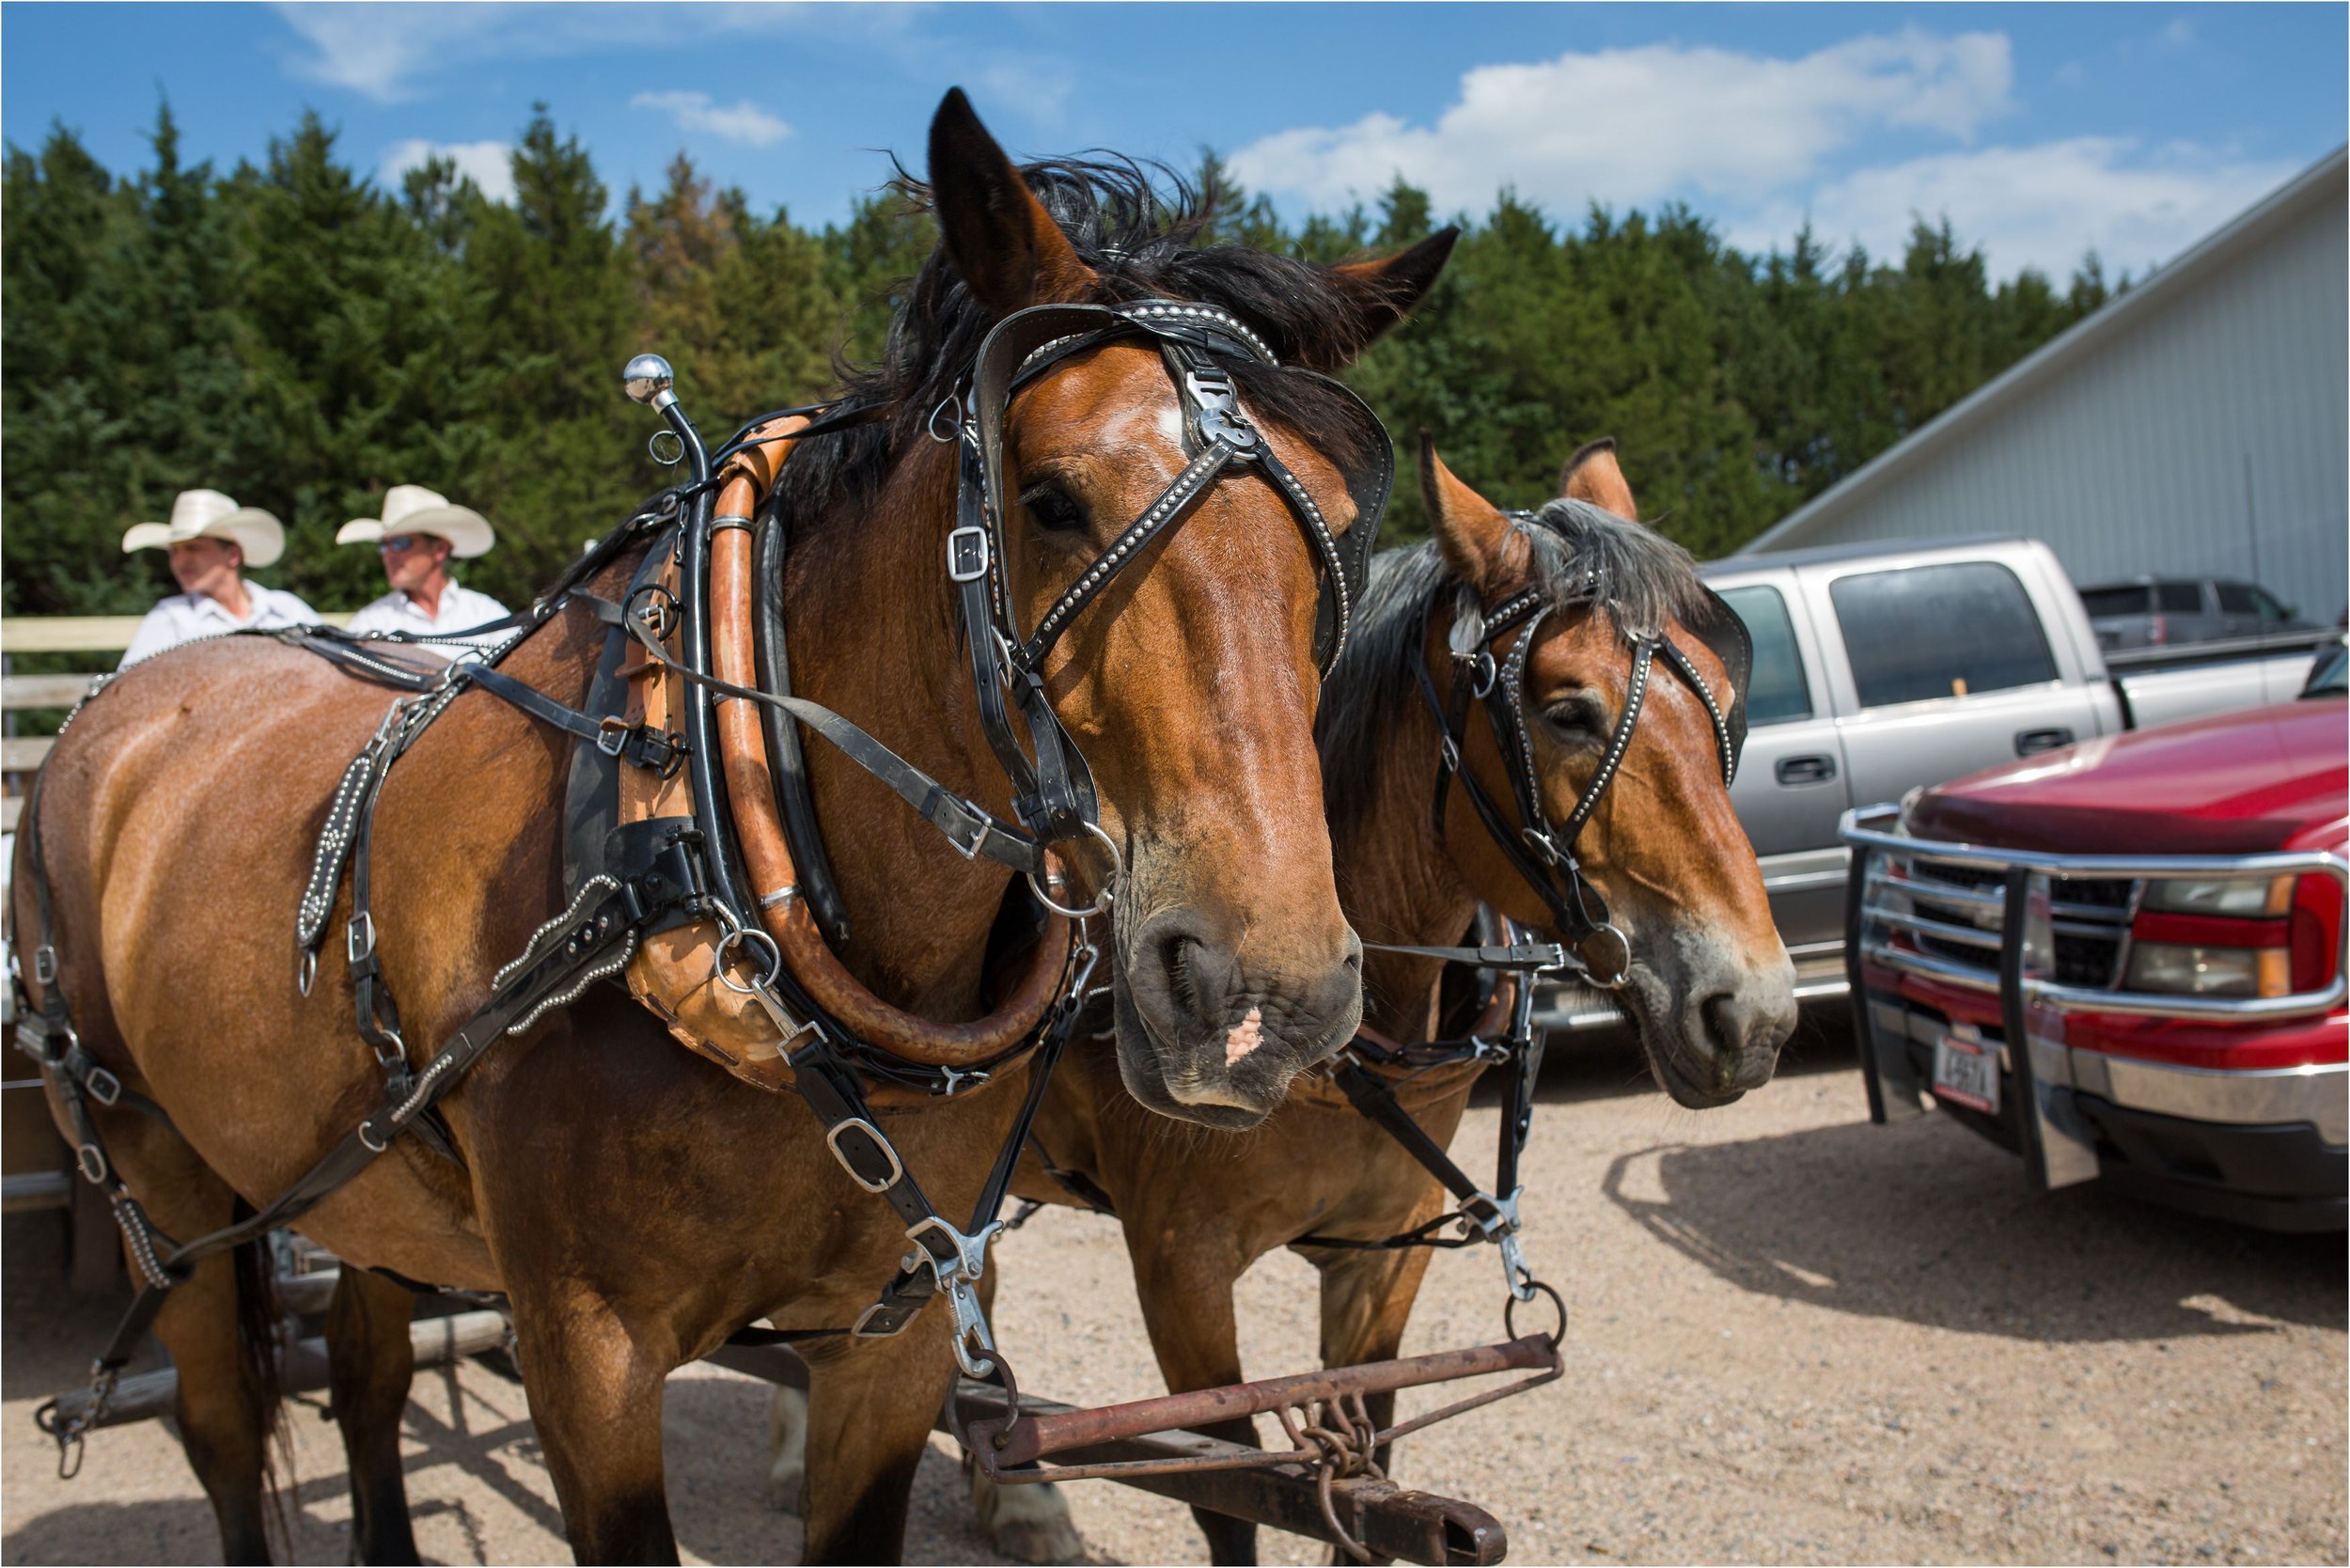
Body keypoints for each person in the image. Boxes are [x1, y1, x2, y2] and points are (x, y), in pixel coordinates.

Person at [119, 489, 319, 666]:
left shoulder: (287, 610)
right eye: (174, 552)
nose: (179, 561)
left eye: (193, 548)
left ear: (232, 555)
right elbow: (128, 691)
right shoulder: (169, 619)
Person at [337, 485, 511, 655]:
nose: (388, 555)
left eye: (400, 543)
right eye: (384, 545)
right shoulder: (370, 623)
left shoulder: (486, 614)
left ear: (439, 550)